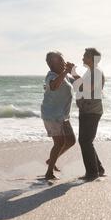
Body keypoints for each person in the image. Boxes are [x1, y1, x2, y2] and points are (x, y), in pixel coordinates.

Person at [41, 51, 76, 180]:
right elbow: (54, 86)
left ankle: (51, 160)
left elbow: (79, 84)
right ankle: (49, 173)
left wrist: (72, 71)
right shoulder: (51, 76)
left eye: (63, 60)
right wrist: (66, 72)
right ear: (51, 63)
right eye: (60, 60)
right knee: (59, 143)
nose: (63, 62)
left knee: (71, 141)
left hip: (63, 115)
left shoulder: (64, 76)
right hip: (52, 115)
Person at [72, 48, 106, 181]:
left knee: (85, 141)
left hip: (92, 111)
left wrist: (73, 73)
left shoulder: (96, 72)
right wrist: (71, 75)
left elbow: (86, 88)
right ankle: (98, 169)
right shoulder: (90, 72)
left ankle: (92, 173)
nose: (82, 58)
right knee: (86, 141)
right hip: (87, 110)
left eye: (85, 56)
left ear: (92, 59)